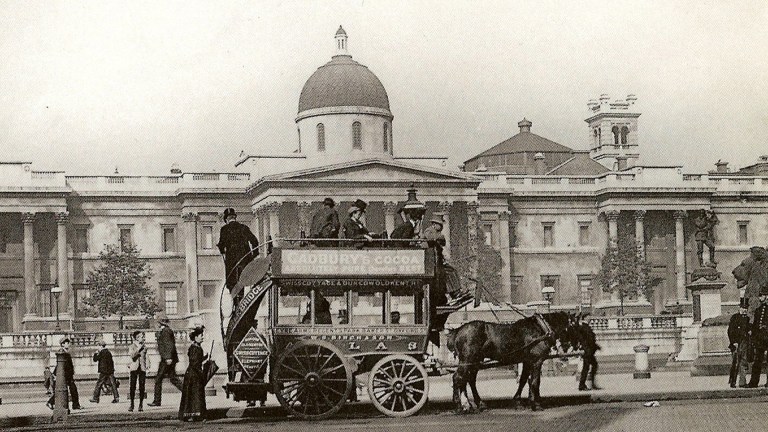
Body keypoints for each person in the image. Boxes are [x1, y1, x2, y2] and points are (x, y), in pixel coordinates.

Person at [218, 207, 260, 296]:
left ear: (226, 219)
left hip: (231, 262)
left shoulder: (224, 229)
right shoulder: (243, 228)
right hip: (244, 260)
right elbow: (255, 241)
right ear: (235, 217)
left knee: (232, 283)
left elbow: (221, 245)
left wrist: (221, 249)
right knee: (243, 281)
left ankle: (235, 304)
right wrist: (253, 255)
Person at [148, 316, 183, 407]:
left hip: (167, 359)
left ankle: (157, 401)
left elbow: (169, 345)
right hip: (167, 358)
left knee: (159, 379)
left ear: (160, 323)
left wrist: (168, 358)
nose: (156, 324)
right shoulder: (165, 331)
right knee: (173, 378)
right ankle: (189, 394)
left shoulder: (166, 331)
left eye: (158, 322)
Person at [179, 326, 207, 422]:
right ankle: (196, 415)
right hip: (194, 375)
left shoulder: (196, 347)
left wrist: (205, 358)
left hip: (193, 374)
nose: (202, 337)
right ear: (196, 337)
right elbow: (194, 363)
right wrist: (202, 373)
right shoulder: (195, 348)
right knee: (195, 395)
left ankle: (193, 415)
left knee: (193, 395)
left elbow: (196, 360)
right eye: (201, 336)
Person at [47, 337, 82, 411]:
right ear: (62, 344)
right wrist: (55, 374)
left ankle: (76, 405)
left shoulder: (66, 352)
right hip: (64, 375)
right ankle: (50, 402)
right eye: (67, 343)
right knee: (62, 391)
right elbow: (60, 365)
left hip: (68, 375)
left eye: (68, 343)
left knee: (72, 390)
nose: (68, 344)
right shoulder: (62, 352)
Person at [747, 289, 768, 387]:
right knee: (757, 362)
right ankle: (754, 382)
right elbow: (755, 325)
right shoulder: (758, 310)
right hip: (760, 340)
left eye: (762, 296)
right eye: (760, 296)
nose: (760, 298)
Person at [728, 299, 751, 388]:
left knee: (744, 362)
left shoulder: (747, 319)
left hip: (744, 343)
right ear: (739, 308)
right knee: (735, 363)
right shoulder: (734, 317)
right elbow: (730, 331)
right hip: (736, 343)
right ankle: (732, 382)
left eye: (746, 308)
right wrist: (733, 342)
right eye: (742, 308)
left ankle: (742, 382)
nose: (744, 310)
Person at [90, 339, 119, 404]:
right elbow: (111, 362)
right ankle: (116, 397)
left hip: (103, 371)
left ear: (100, 346)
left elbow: (95, 359)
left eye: (98, 346)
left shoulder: (101, 353)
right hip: (110, 371)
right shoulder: (108, 352)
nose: (97, 347)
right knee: (113, 384)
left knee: (99, 384)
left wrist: (95, 353)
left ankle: (95, 398)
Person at [127, 331, 148, 412]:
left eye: (143, 336)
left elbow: (146, 356)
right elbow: (132, 356)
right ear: (136, 338)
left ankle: (141, 405)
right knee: (132, 386)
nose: (143, 338)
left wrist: (147, 365)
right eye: (141, 336)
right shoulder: (131, 346)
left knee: (142, 387)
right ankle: (132, 404)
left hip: (142, 368)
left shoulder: (144, 347)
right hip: (134, 368)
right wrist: (138, 349)